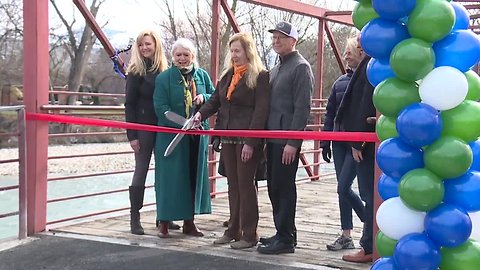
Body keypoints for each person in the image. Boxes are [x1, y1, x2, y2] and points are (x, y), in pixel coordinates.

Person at [192, 32, 270, 249]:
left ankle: (249, 234)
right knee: (233, 185)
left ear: (248, 51)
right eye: (232, 51)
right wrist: (200, 115)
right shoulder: (228, 75)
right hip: (227, 137)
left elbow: (261, 111)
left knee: (246, 185)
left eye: (238, 51)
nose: (234, 55)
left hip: (246, 138)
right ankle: (233, 230)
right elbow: (216, 100)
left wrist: (251, 142)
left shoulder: (260, 76)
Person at [257, 21, 314, 255]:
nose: (276, 41)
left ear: (294, 41)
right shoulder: (278, 67)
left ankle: (286, 239)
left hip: (285, 140)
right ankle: (284, 232)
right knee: (274, 187)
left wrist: (293, 142)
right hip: (273, 137)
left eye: (281, 37)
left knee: (283, 187)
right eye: (274, 37)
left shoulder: (300, 67)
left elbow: (303, 108)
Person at [153, 38, 214, 238]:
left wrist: (203, 98)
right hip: (171, 136)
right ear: (173, 56)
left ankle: (189, 222)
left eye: (186, 55)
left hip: (196, 136)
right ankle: (164, 222)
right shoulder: (164, 78)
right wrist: (181, 123)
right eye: (178, 55)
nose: (182, 59)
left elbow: (214, 97)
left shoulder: (202, 76)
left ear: (192, 57)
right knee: (169, 179)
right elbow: (160, 107)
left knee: (191, 177)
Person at [124, 29, 180, 235]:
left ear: (156, 45)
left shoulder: (165, 71)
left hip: (164, 127)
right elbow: (129, 104)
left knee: (164, 172)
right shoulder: (135, 72)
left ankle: (163, 216)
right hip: (143, 128)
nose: (144, 48)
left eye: (148, 44)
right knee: (141, 171)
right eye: (141, 45)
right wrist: (132, 135)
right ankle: (135, 218)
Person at [321, 38, 365, 251]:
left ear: (361, 53)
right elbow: (330, 114)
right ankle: (346, 234)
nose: (346, 56)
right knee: (342, 189)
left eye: (349, 52)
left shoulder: (367, 80)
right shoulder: (339, 83)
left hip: (355, 142)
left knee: (343, 187)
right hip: (339, 141)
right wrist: (324, 142)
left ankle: (368, 219)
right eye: (345, 52)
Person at [334, 34, 375, 263]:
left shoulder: (371, 65)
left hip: (363, 141)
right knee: (363, 192)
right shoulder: (371, 63)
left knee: (368, 193)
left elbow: (365, 103)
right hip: (358, 140)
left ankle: (368, 246)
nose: (359, 41)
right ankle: (369, 243)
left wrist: (358, 141)